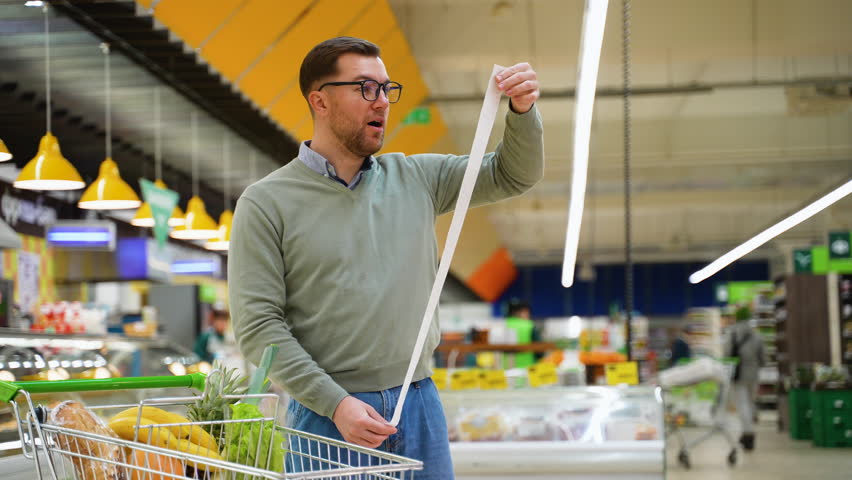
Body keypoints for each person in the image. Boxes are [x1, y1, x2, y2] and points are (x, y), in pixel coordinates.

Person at [228, 36, 543, 479]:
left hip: (419, 406)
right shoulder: (266, 203)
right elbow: (259, 327)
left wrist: (523, 111)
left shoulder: (417, 178)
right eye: (364, 88)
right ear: (320, 100)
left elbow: (512, 174)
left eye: (385, 88)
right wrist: (335, 404)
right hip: (329, 419)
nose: (381, 102)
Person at [725, 307, 764, 451]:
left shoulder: (732, 333)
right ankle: (748, 431)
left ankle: (748, 434)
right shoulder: (757, 335)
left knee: (742, 405)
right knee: (751, 402)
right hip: (753, 374)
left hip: (738, 373)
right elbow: (763, 357)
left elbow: (727, 353)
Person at [504, 299, 536, 369]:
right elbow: (539, 348)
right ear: (518, 312)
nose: (528, 314)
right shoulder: (529, 325)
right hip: (527, 367)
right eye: (526, 312)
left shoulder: (503, 324)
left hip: (506, 368)